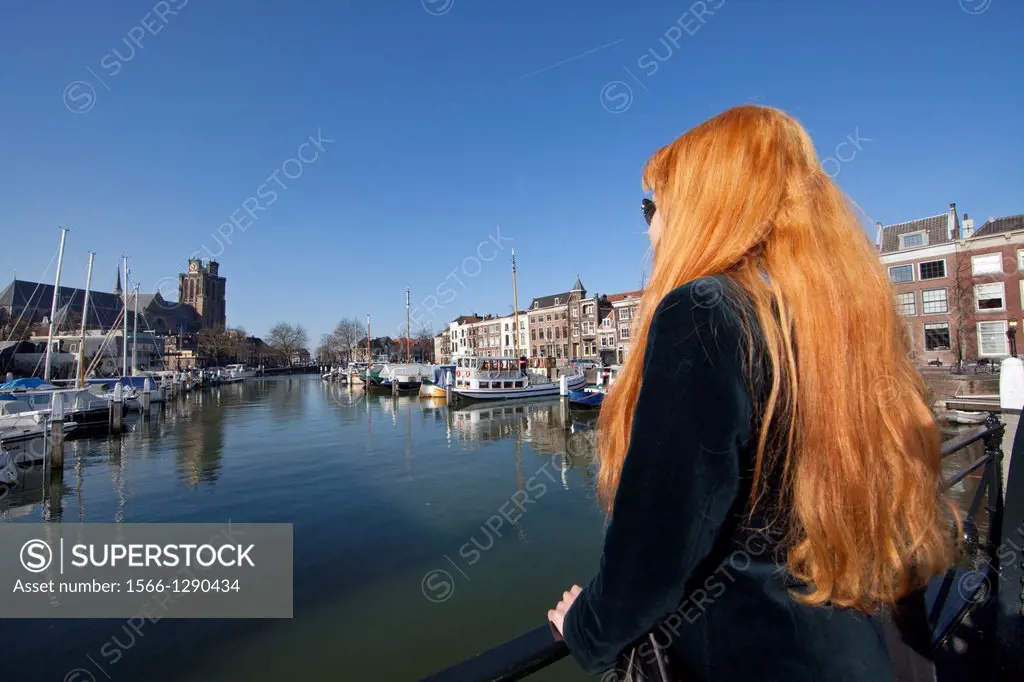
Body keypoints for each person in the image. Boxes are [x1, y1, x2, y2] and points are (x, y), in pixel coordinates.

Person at [547, 105, 956, 681]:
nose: (647, 226)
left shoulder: (703, 310)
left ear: (702, 207)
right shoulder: (833, 324)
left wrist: (587, 628)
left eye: (652, 206)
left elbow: (659, 536)